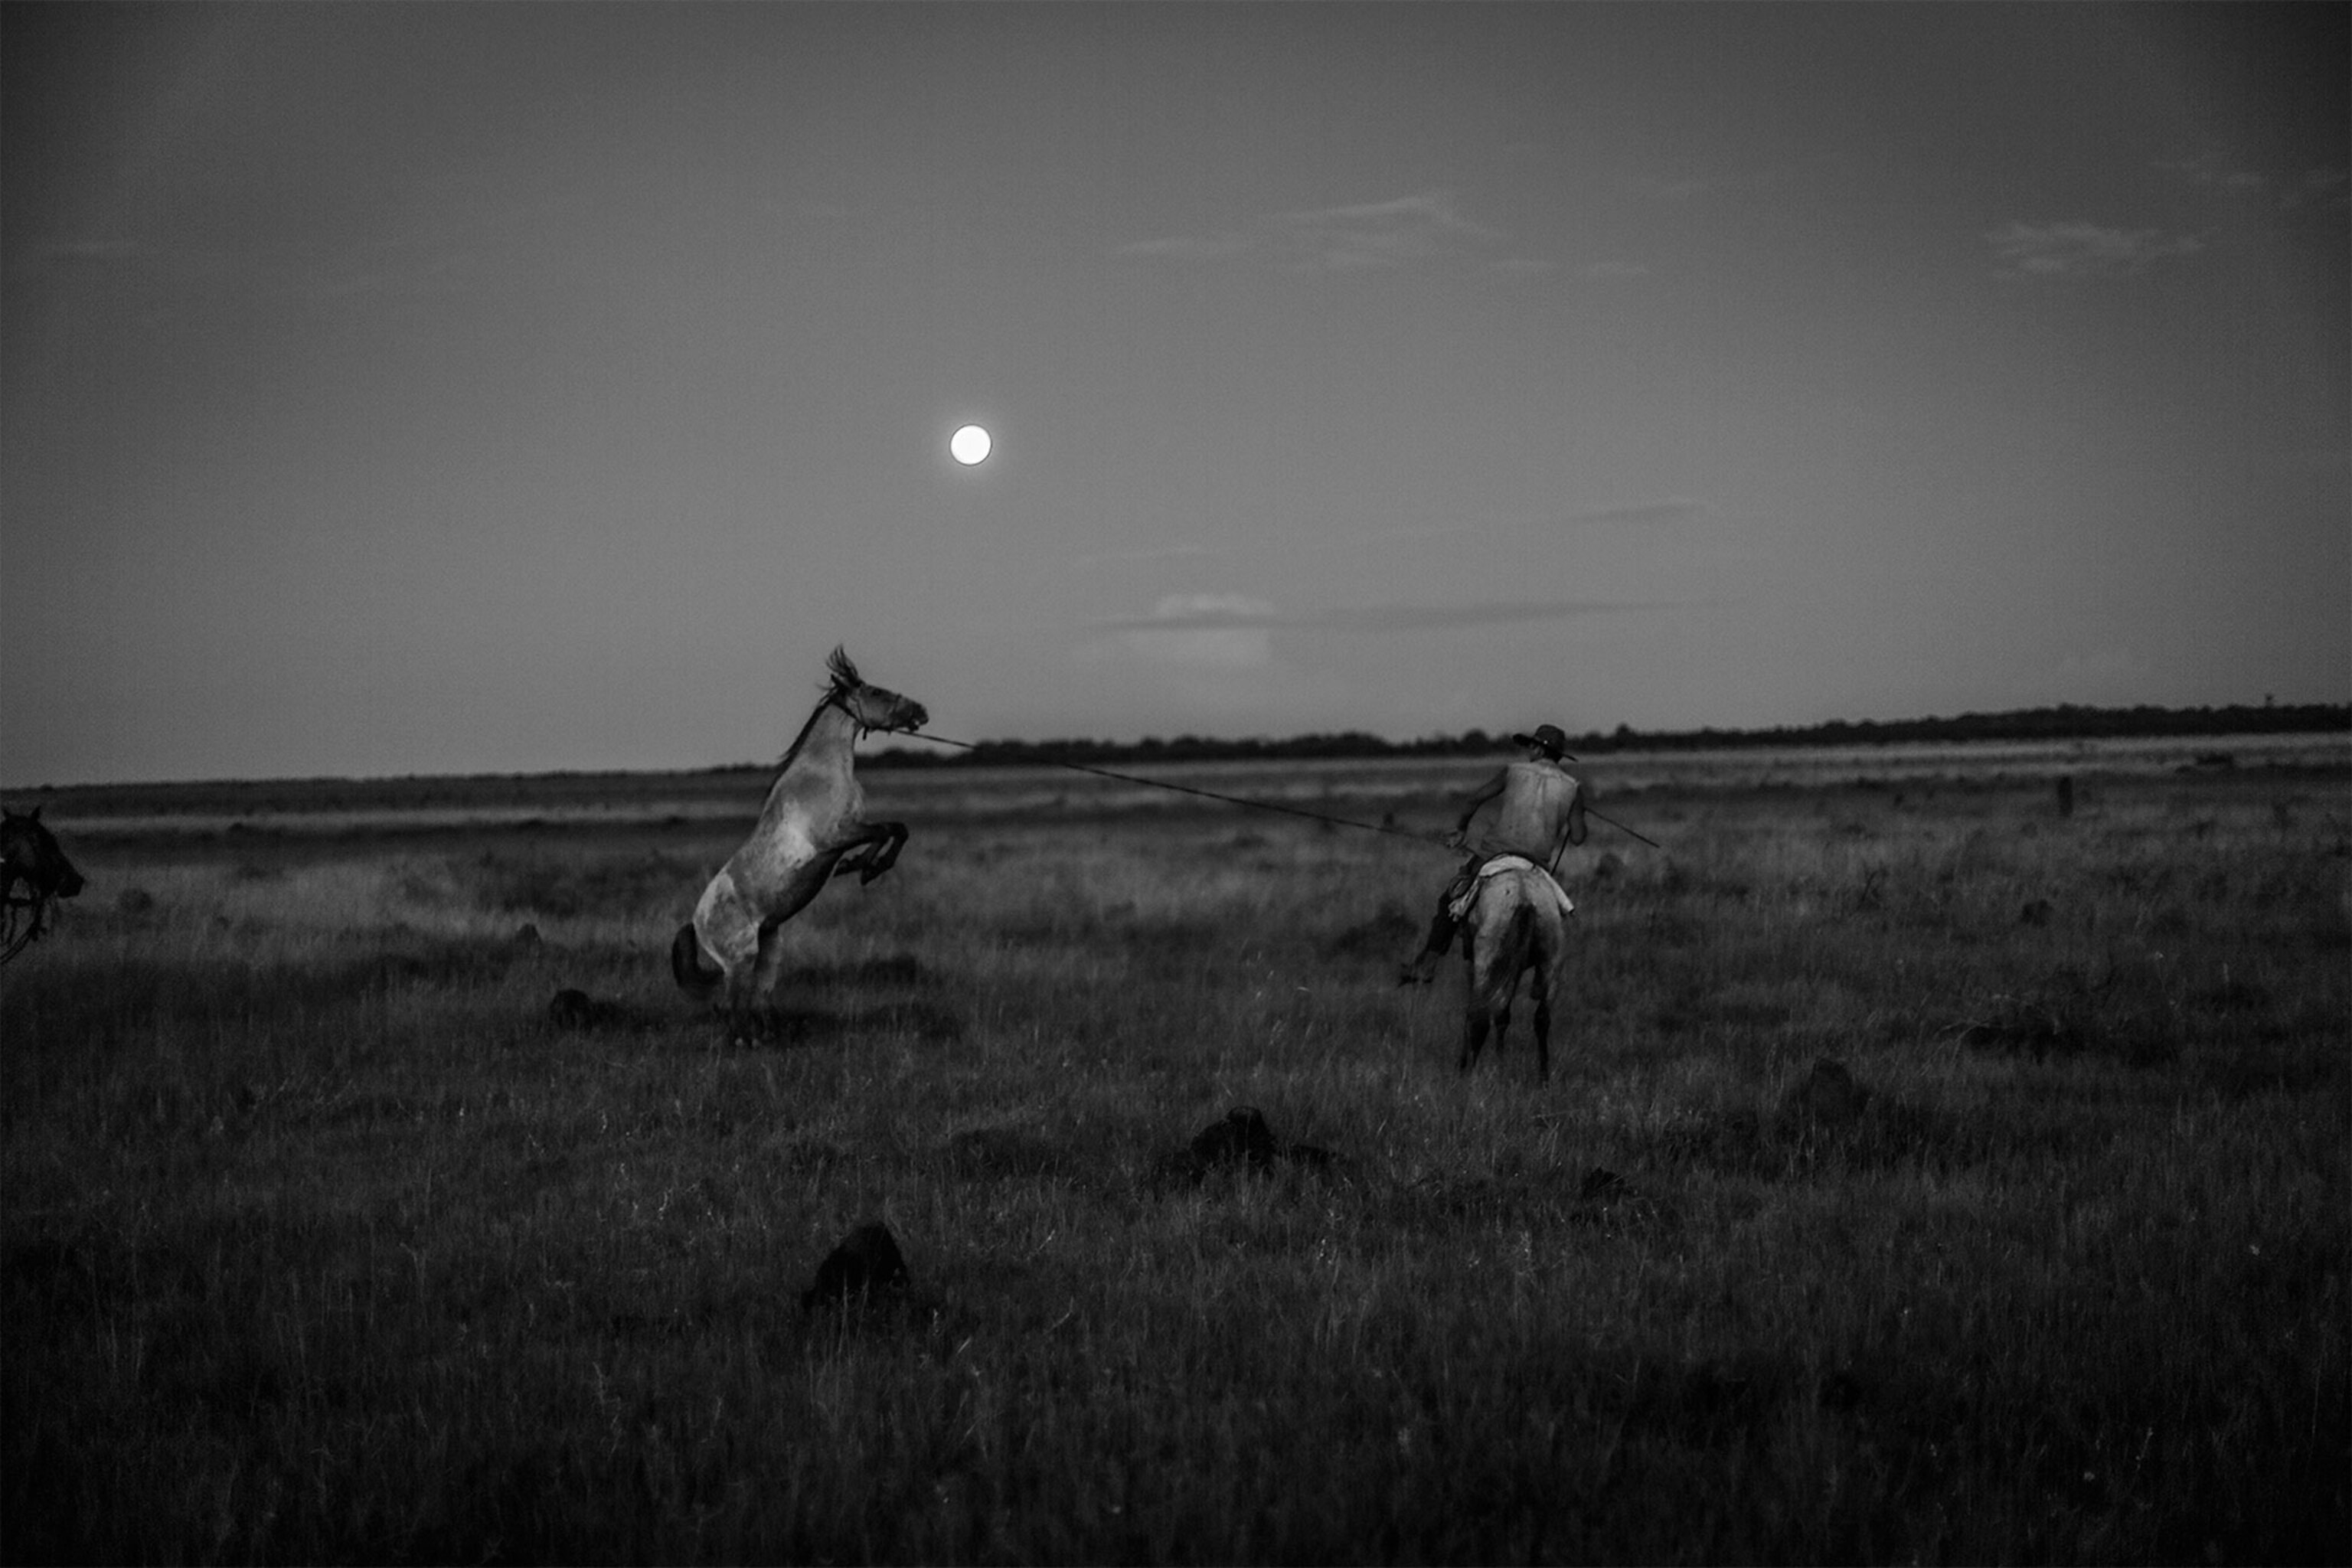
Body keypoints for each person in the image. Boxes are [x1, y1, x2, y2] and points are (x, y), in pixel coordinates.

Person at [1398, 724, 1586, 985]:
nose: (1528, 750)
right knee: (1556, 916)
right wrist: (1577, 811)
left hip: (1495, 854)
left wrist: (1461, 830)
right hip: (1536, 865)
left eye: (1531, 746)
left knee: (1451, 899)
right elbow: (1577, 838)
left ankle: (1427, 966)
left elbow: (1473, 800)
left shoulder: (1514, 771)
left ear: (1537, 748)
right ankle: (1544, 977)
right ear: (1557, 755)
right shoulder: (1572, 787)